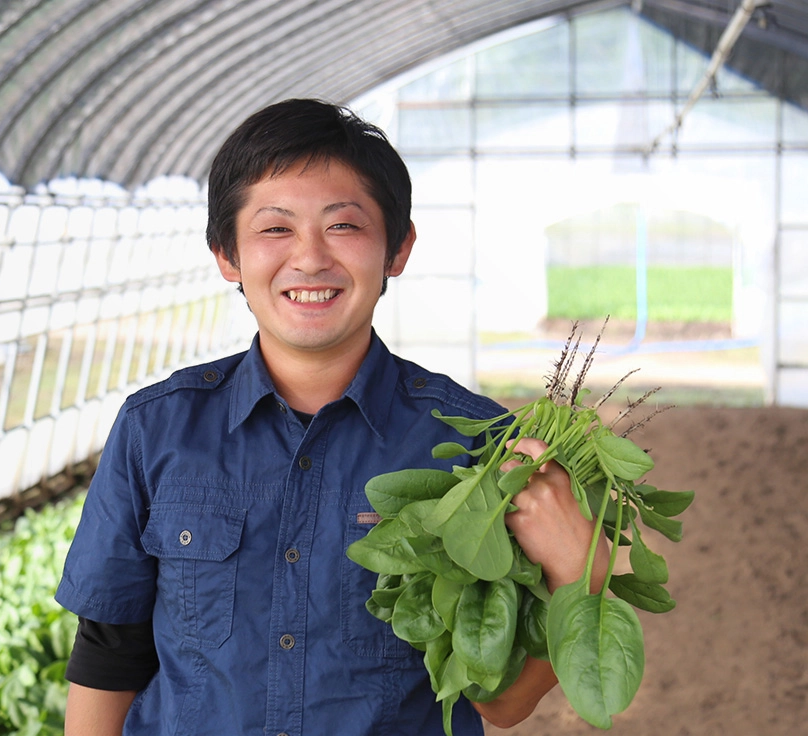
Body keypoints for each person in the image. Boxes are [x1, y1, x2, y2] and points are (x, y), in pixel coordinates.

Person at [55, 98, 607, 735]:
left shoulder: (476, 447)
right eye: (275, 228)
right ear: (226, 255)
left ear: (397, 249)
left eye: (343, 226)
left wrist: (579, 576)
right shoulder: (157, 430)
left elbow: (500, 703)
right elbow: (109, 655)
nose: (310, 258)